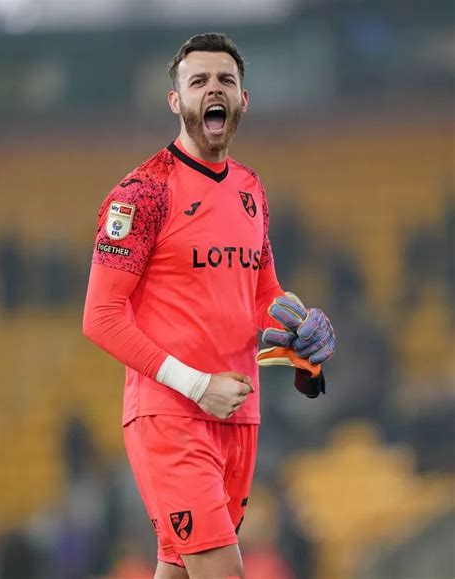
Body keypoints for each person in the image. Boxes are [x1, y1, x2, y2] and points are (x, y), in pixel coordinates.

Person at [83, 33, 335, 579]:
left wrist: (302, 329)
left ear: (244, 99)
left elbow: (264, 294)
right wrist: (198, 385)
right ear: (175, 100)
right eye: (198, 81)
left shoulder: (251, 189)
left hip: (238, 415)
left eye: (225, 80)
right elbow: (100, 318)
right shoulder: (142, 194)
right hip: (173, 416)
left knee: (178, 569)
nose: (212, 90)